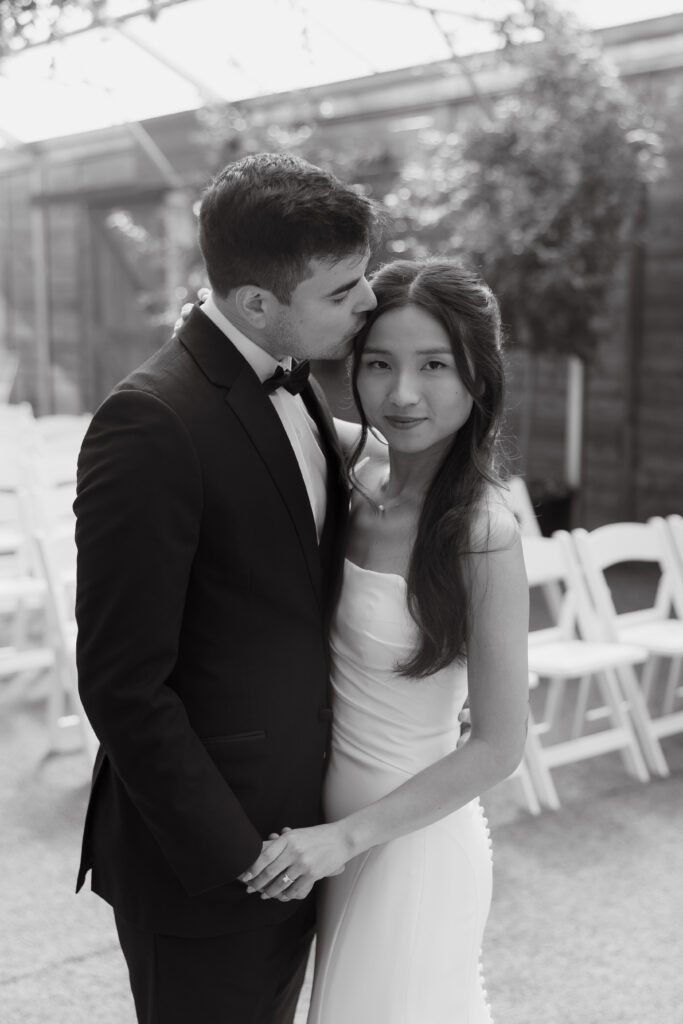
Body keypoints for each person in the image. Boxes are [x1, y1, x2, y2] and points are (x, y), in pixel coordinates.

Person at [73, 151, 380, 1024]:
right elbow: (123, 682)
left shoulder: (293, 378)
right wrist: (240, 856)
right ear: (255, 304)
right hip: (213, 865)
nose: (368, 302)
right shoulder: (152, 422)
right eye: (343, 289)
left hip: (306, 826)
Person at [239, 258, 530, 1023]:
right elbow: (271, 395)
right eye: (379, 364)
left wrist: (343, 839)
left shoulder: (481, 533)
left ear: (478, 375)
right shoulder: (356, 469)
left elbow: (499, 746)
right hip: (329, 838)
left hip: (410, 844)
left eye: (434, 365)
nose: (402, 394)